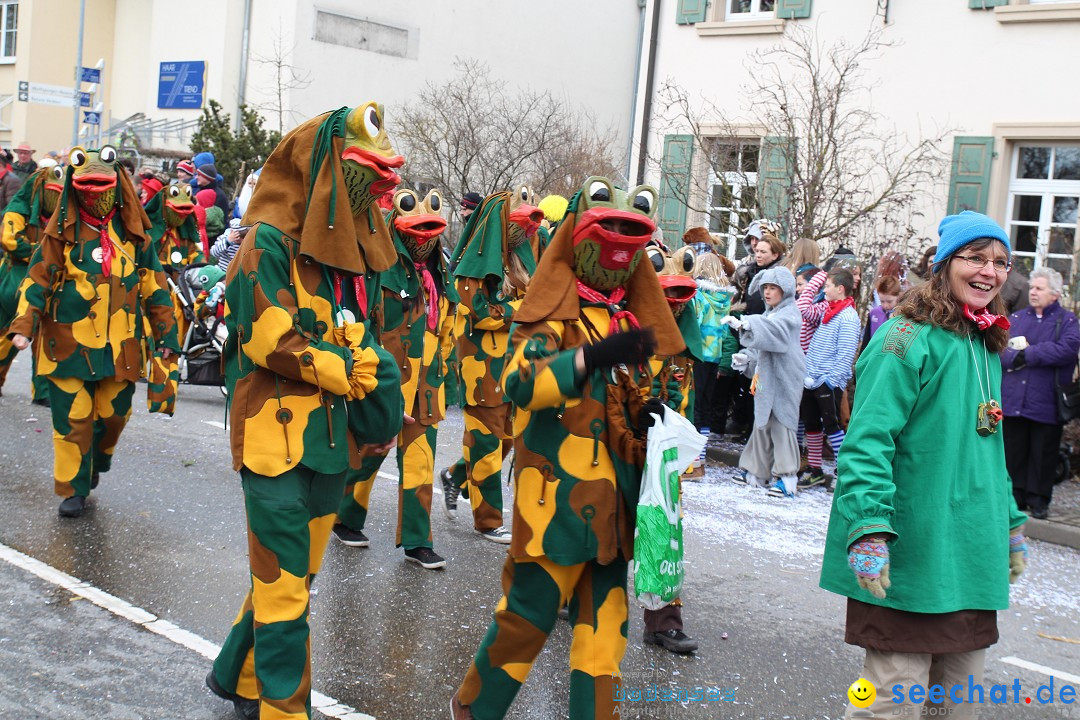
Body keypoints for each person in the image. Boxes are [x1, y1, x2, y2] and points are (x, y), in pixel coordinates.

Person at [450, 176, 681, 720]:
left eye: (632, 232)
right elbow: (522, 383)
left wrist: (647, 412)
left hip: (616, 508)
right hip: (555, 503)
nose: (621, 244)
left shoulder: (631, 316)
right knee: (525, 621)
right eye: (611, 229)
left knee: (605, 638)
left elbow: (638, 392)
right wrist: (592, 359)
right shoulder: (553, 306)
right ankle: (470, 712)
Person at [205, 103, 405, 720]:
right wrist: (350, 372)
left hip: (331, 445)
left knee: (290, 577)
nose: (382, 185)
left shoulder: (358, 258)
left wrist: (380, 390)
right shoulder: (267, 242)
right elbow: (271, 339)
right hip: (273, 441)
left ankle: (235, 674)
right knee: (287, 588)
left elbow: (367, 335)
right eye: (366, 171)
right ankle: (285, 710)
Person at [819, 210, 1029, 720]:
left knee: (958, 705)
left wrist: (1009, 523)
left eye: (1000, 262)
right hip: (910, 555)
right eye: (975, 258)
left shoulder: (984, 343)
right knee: (892, 702)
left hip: (969, 559)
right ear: (942, 265)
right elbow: (867, 444)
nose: (989, 271)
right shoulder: (903, 340)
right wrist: (867, 528)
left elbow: (988, 448)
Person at [7, 146, 179, 518]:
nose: (95, 189)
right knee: (73, 419)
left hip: (122, 347)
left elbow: (156, 288)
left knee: (113, 417)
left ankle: (96, 463)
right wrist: (24, 326)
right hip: (66, 345)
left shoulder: (135, 235)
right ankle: (73, 488)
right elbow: (37, 281)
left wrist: (167, 338)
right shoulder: (61, 233)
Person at [332, 189, 458, 569]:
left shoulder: (441, 272)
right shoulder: (378, 266)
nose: (424, 238)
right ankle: (345, 517)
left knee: (420, 461)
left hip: (426, 386)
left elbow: (449, 328)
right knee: (373, 452)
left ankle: (418, 542)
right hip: (388, 384)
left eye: (431, 229)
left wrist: (446, 383)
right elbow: (361, 322)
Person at [439, 186, 541, 543]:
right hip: (481, 369)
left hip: (511, 366)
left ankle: (455, 476)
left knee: (506, 441)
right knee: (485, 444)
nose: (523, 236)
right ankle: (488, 520)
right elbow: (477, 313)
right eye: (518, 229)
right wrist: (521, 312)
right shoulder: (474, 265)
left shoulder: (514, 261)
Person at [1001, 267, 1080, 520]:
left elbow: (1066, 350)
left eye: (1039, 288)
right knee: (1014, 452)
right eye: (1032, 287)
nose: (1032, 292)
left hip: (1046, 400)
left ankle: (1038, 500)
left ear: (1055, 294)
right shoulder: (1016, 318)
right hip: (1014, 399)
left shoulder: (1067, 321)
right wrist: (1025, 355)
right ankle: (1015, 499)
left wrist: (1027, 354)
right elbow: (1000, 349)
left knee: (1042, 453)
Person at [721, 266, 805, 497]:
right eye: (765, 288)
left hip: (786, 377)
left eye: (773, 288)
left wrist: (746, 324)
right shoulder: (770, 314)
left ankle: (787, 478)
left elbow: (775, 335)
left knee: (782, 425)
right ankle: (756, 471)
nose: (767, 293)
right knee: (762, 423)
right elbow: (762, 347)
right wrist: (746, 359)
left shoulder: (789, 314)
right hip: (768, 378)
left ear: (785, 290)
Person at [798, 268, 860, 490]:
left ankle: (841, 470)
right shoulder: (829, 310)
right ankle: (814, 469)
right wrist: (809, 373)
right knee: (812, 425)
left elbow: (845, 353)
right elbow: (816, 344)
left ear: (840, 289)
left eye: (828, 286)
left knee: (832, 426)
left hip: (828, 382)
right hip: (811, 378)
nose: (824, 289)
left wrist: (831, 381)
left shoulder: (848, 317)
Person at [859, 275, 901, 353]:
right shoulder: (874, 313)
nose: (885, 305)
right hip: (873, 353)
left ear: (898, 297)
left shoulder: (901, 316)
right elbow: (866, 340)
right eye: (882, 301)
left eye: (889, 301)